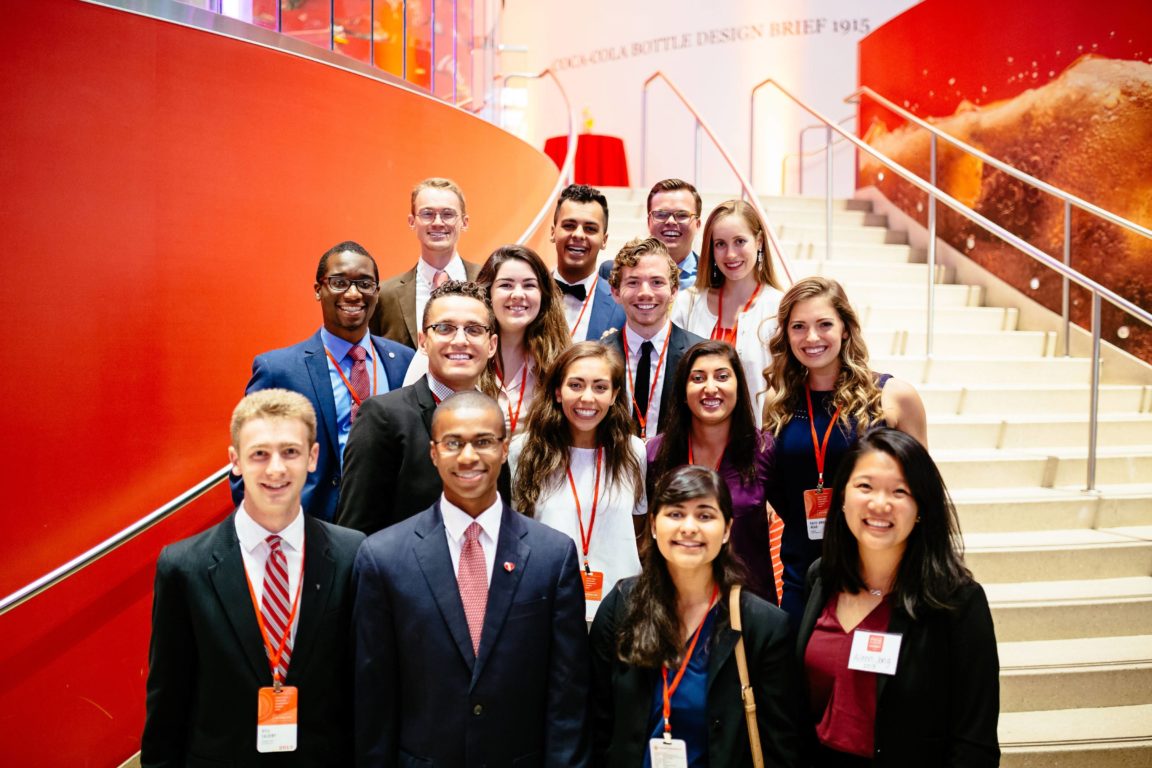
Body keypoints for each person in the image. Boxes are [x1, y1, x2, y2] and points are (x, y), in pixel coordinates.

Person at [352, 391, 590, 767]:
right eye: (453, 443)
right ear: (433, 452)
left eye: (483, 442)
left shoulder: (553, 555)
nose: (468, 457)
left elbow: (567, 694)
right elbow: (373, 696)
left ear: (504, 448)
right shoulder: (384, 557)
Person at [142, 390, 365, 766]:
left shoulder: (352, 555)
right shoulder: (184, 566)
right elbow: (168, 700)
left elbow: (363, 688)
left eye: (290, 452)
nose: (275, 469)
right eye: (259, 454)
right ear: (235, 462)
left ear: (313, 457)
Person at [798, 428, 1000, 766]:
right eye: (865, 486)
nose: (880, 504)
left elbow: (975, 740)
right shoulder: (822, 577)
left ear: (921, 506)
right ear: (843, 497)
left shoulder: (957, 601)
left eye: (899, 491)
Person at [589, 466, 802, 768]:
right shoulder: (621, 607)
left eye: (705, 516)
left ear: (727, 529)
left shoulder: (762, 626)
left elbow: (782, 749)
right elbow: (597, 725)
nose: (689, 527)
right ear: (652, 524)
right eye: (675, 514)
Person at [763, 276, 928, 622]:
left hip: (878, 571)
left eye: (824, 324)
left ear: (845, 329)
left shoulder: (894, 397)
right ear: (786, 335)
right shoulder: (778, 404)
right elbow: (780, 491)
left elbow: (923, 492)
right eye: (798, 326)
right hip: (801, 572)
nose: (811, 338)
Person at [233, 241, 414, 522]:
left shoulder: (404, 361)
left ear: (377, 292)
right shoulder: (279, 369)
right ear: (319, 290)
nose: (353, 294)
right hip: (314, 531)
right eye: (339, 282)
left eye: (365, 284)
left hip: (392, 531)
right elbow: (247, 462)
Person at [336, 280, 505, 535]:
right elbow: (356, 534)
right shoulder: (383, 418)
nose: (460, 340)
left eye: (473, 329)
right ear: (424, 341)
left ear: (491, 345)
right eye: (445, 328)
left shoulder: (493, 418)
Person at [510, 341, 646, 622]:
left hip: (621, 609)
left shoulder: (633, 451)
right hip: (547, 606)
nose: (587, 398)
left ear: (614, 394)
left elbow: (638, 526)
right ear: (558, 392)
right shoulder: (524, 451)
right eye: (576, 385)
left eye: (600, 387)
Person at [647, 341, 777, 604]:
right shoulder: (656, 453)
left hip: (747, 601)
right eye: (697, 378)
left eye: (722, 376)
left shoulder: (764, 450)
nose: (710, 387)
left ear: (739, 387)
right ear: (683, 391)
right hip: (673, 600)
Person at [672, 200, 785, 424]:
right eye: (720, 244)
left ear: (759, 241)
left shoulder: (780, 307)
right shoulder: (689, 303)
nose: (730, 254)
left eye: (740, 241)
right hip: (695, 440)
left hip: (756, 443)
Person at [603, 237, 705, 440]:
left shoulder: (699, 355)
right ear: (615, 292)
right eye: (633, 282)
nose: (645, 293)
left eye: (657, 282)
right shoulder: (598, 355)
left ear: (674, 290)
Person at [371, 177, 482, 348]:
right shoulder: (385, 296)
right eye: (427, 214)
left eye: (448, 214)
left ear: (464, 222)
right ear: (412, 221)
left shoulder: (488, 282)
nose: (437, 222)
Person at [552, 183, 627, 342]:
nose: (578, 235)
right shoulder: (531, 294)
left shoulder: (623, 304)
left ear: (604, 240)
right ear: (553, 232)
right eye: (569, 226)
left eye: (590, 229)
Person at [599, 178, 703, 290]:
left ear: (697, 224)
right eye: (661, 214)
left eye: (682, 215)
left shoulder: (716, 275)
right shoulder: (613, 272)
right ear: (649, 221)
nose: (671, 221)